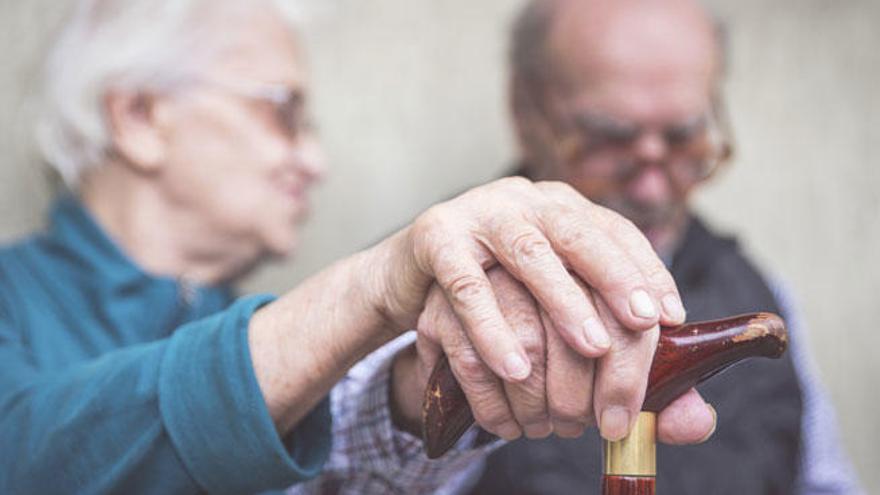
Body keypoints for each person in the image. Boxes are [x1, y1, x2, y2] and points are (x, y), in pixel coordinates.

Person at [0, 0, 718, 493]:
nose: (316, 162)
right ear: (139, 115)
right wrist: (369, 286)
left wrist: (438, 378)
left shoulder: (264, 326)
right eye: (284, 113)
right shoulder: (12, 299)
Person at [463, 0, 864, 493]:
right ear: (525, 113)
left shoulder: (758, 293)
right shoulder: (445, 295)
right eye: (608, 139)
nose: (652, 191)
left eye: (682, 138)